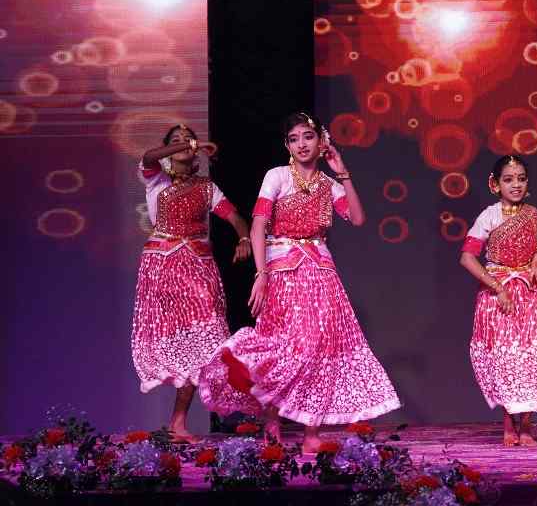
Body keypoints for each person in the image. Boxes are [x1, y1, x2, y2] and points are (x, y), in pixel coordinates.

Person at [197, 112, 399, 450]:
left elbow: (358, 218)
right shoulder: (277, 176)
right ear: (287, 145)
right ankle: (271, 423)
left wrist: (343, 172)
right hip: (282, 271)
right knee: (283, 346)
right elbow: (258, 227)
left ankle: (311, 435)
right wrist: (261, 275)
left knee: (319, 348)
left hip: (321, 273)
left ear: (322, 142)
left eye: (308, 136)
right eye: (294, 139)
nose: (302, 144)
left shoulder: (330, 185)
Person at [132, 124, 253, 438]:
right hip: (164, 266)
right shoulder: (156, 178)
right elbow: (149, 156)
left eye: (188, 139)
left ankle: (183, 420)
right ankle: (179, 422)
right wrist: (188, 145)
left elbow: (235, 217)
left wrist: (243, 238)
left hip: (199, 267)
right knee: (182, 342)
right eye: (176, 141)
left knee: (209, 337)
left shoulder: (206, 187)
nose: (183, 144)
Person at [459, 154, 537, 446]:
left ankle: (526, 426)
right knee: (506, 359)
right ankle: (507, 423)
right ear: (495, 184)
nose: (516, 185)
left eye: (521, 179)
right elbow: (467, 258)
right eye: (508, 179)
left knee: (530, 358)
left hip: (532, 296)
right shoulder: (489, 216)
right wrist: (497, 287)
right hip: (498, 297)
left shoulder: (536, 216)